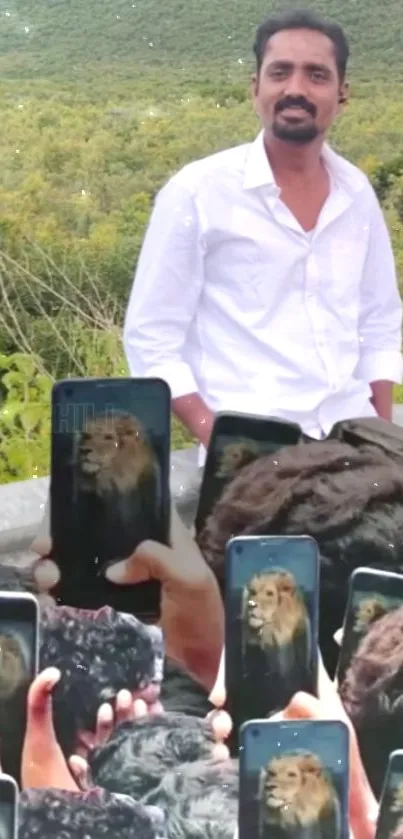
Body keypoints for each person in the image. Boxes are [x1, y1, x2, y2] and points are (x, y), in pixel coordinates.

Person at [123, 7, 402, 462]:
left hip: (354, 437)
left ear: (342, 93)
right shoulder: (198, 193)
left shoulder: (356, 194)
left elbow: (379, 321)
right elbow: (151, 340)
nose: (296, 88)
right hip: (251, 449)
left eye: (316, 74)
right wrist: (219, 438)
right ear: (256, 88)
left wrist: (381, 436)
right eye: (279, 72)